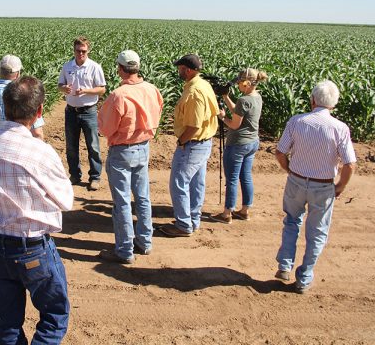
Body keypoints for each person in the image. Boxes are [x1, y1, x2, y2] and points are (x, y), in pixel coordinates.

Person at [0, 76, 73, 344]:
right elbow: (66, 200)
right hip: (33, 248)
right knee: (54, 316)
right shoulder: (40, 152)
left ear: (5, 107)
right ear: (39, 112)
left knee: (9, 322)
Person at [274, 80, 356, 294]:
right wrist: (340, 187)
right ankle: (304, 277)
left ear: (312, 100)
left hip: (297, 180)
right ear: (334, 104)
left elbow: (280, 152)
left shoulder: (296, 121)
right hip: (323, 186)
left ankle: (284, 265)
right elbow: (350, 164)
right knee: (317, 232)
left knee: (291, 220)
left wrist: (289, 170)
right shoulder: (340, 128)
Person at [97, 50, 163, 263]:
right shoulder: (152, 90)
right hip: (143, 147)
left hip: (122, 151)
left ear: (120, 69)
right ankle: (145, 242)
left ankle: (125, 250)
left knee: (122, 202)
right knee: (143, 197)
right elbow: (159, 112)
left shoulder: (119, 95)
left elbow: (106, 128)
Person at [159, 54, 219, 237]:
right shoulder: (203, 84)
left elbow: (194, 126)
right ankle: (193, 219)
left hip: (193, 144)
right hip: (204, 143)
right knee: (196, 183)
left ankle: (184, 225)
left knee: (178, 183)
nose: (179, 70)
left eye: (181, 68)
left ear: (189, 70)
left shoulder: (194, 93)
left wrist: (181, 141)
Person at [210, 68, 268, 224]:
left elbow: (234, 124)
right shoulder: (256, 97)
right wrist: (225, 97)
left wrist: (222, 118)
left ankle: (227, 213)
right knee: (246, 177)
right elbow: (238, 111)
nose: (237, 85)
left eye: (240, 82)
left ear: (246, 83)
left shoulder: (244, 100)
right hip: (252, 143)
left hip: (237, 144)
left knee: (232, 179)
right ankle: (244, 211)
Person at [58, 36, 106, 190]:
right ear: (74, 50)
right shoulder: (67, 67)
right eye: (78, 51)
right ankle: (74, 175)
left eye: (84, 51)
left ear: (88, 50)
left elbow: (102, 89)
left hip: (89, 111)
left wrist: (85, 91)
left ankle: (95, 177)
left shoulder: (94, 67)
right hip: (71, 111)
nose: (81, 54)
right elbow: (59, 84)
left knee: (93, 146)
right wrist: (64, 88)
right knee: (71, 146)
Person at [0, 54, 45, 139]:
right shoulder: (24, 94)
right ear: (18, 73)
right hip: (20, 149)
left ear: (0, 71)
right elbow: (37, 133)